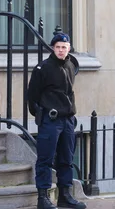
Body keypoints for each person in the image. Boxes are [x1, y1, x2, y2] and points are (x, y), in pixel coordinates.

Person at [27, 33, 87, 209]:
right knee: (45, 159)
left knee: (66, 159)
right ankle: (42, 198)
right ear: (53, 48)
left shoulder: (70, 65)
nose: (61, 50)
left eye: (64, 47)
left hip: (67, 120)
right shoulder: (42, 68)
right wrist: (40, 113)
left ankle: (65, 196)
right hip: (51, 120)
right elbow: (32, 95)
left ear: (69, 49)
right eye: (58, 47)